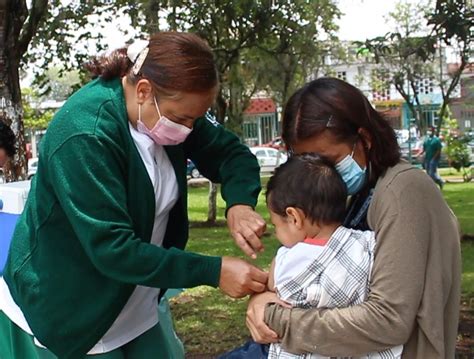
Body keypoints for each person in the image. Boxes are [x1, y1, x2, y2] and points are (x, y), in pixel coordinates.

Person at [0, 32, 268, 358]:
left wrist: (239, 203)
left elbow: (232, 156)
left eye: (195, 120)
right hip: (73, 305)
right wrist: (213, 271)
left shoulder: (167, 109)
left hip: (135, 297)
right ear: (143, 91)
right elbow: (113, 249)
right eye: (183, 119)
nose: (188, 129)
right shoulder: (85, 133)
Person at [246, 78, 461, 359]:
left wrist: (277, 319)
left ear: (364, 139)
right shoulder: (351, 192)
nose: (318, 175)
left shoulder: (402, 191)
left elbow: (387, 320)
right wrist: (263, 299)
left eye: (328, 162)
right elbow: (314, 272)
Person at [223, 154, 402, 359]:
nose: (277, 234)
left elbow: (272, 285)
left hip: (300, 349)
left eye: (276, 225)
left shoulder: (289, 259)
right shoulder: (368, 242)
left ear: (294, 217)